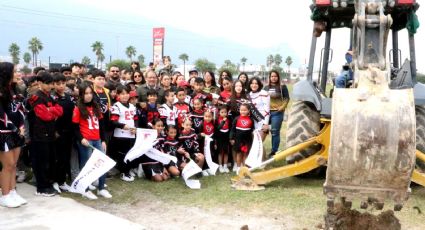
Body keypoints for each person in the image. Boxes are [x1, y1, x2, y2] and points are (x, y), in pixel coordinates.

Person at [72, 83, 111, 199]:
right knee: (86, 165)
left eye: (90, 93)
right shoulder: (78, 108)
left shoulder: (96, 106)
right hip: (86, 140)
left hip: (97, 139)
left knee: (102, 163)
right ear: (81, 95)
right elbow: (74, 127)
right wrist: (81, 139)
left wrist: (103, 140)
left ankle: (101, 188)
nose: (88, 96)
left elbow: (101, 124)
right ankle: (85, 188)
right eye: (86, 93)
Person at [28, 72, 63, 197]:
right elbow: (45, 115)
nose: (50, 86)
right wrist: (51, 111)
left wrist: (51, 110)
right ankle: (41, 187)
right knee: (41, 162)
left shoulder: (49, 96)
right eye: (47, 83)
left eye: (51, 84)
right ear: (39, 83)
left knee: (50, 160)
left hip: (50, 133)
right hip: (39, 135)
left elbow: (60, 110)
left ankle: (47, 184)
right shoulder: (36, 97)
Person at [0, 62, 27, 207]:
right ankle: (4, 195)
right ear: (7, 73)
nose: (18, 74)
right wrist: (14, 128)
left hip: (18, 132)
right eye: (15, 71)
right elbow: (1, 115)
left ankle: (12, 192)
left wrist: (21, 126)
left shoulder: (14, 90)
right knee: (8, 165)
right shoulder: (1, 90)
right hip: (4, 133)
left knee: (14, 165)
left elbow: (20, 110)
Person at [108, 85, 137, 182]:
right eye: (122, 94)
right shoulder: (116, 106)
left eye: (127, 93)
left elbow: (135, 119)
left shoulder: (132, 106)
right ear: (118, 95)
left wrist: (135, 128)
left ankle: (128, 169)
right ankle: (124, 172)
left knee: (130, 153)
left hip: (131, 134)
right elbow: (113, 121)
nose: (125, 96)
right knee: (122, 154)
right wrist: (123, 126)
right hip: (120, 135)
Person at [51, 73, 74, 193]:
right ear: (53, 85)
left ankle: (62, 181)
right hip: (57, 133)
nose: (61, 86)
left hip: (68, 132)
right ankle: (54, 181)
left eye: (63, 83)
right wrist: (54, 131)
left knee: (66, 158)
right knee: (57, 159)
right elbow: (50, 117)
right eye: (58, 84)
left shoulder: (69, 97)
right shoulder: (52, 98)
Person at [263, 70, 289, 156]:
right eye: (272, 76)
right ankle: (260, 150)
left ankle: (273, 151)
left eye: (275, 76)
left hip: (277, 113)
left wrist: (282, 108)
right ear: (269, 77)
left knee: (274, 132)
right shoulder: (265, 88)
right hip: (266, 113)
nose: (273, 78)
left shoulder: (282, 87)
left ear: (278, 77)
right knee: (263, 130)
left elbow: (286, 98)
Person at [230, 103, 254, 173]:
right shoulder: (236, 119)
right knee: (239, 154)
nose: (243, 111)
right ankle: (238, 168)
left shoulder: (251, 120)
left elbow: (252, 130)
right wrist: (231, 138)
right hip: (238, 140)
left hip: (247, 140)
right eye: (241, 110)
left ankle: (244, 168)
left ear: (248, 110)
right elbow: (232, 129)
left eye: (245, 110)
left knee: (246, 154)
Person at [215, 105, 230, 173]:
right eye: (222, 112)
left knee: (226, 152)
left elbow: (230, 128)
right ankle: (220, 166)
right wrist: (223, 121)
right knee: (220, 152)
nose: (224, 114)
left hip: (226, 137)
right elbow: (218, 128)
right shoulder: (217, 120)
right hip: (220, 137)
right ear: (219, 113)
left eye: (225, 112)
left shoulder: (229, 119)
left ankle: (225, 165)